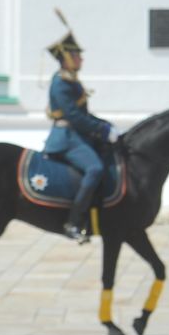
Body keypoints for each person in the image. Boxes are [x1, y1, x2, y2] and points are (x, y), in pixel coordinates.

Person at [45, 19, 118, 244]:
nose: (81, 59)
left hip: (77, 134)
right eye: (77, 55)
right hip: (66, 138)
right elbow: (74, 117)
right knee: (95, 169)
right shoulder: (60, 83)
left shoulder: (71, 81)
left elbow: (83, 115)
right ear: (67, 58)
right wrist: (100, 129)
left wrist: (105, 125)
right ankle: (73, 222)